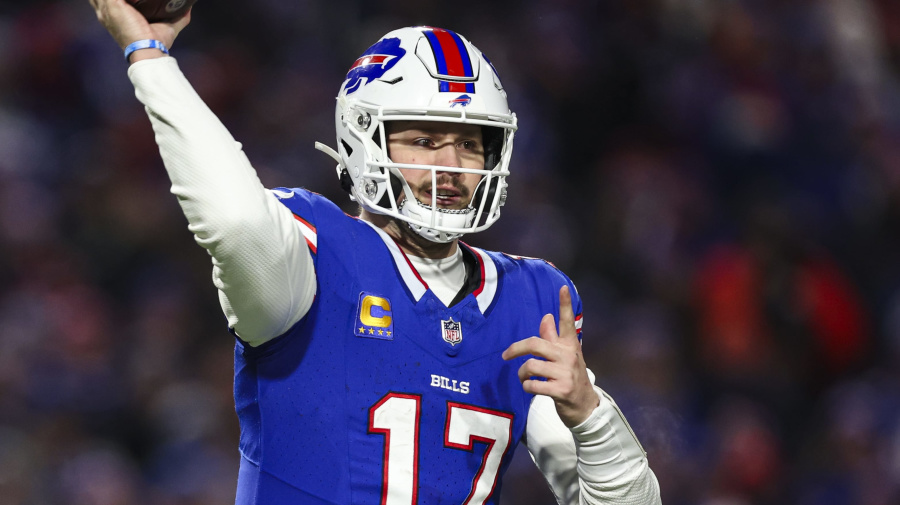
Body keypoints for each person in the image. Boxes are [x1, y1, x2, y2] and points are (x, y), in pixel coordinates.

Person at [89, 0, 662, 503]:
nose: (451, 166)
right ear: (363, 143)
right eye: (423, 141)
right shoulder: (316, 254)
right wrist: (151, 60)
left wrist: (591, 413)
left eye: (469, 144)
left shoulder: (531, 300)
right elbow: (235, 220)